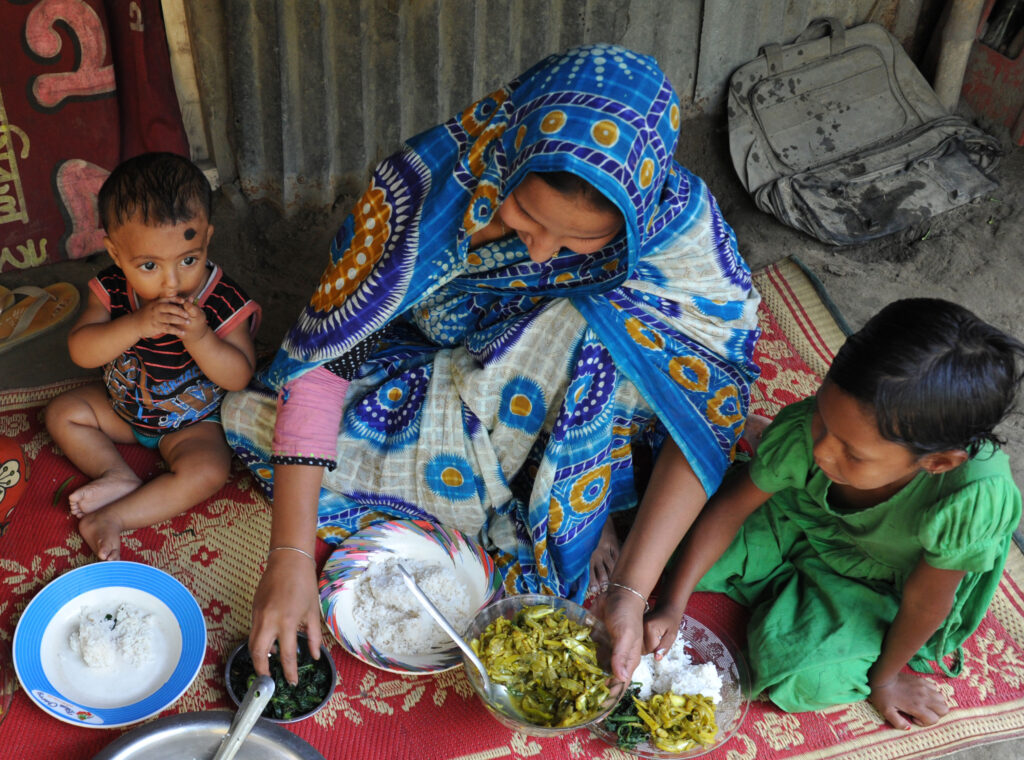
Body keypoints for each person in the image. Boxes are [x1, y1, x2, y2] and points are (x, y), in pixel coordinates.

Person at [221, 44, 762, 683]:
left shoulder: (679, 234)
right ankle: (552, 507)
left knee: (596, 329)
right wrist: (288, 556)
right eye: (525, 216)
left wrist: (632, 593)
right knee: (257, 423)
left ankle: (584, 509)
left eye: (579, 240)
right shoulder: (424, 189)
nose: (539, 255)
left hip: (582, 413)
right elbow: (331, 357)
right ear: (509, 156)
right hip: (432, 375)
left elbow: (706, 411)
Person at [644, 298, 1024, 729]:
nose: (823, 450)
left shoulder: (969, 500)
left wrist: (884, 680)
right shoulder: (813, 432)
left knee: (802, 677)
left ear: (937, 463)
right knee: (667, 552)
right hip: (803, 517)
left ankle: (801, 589)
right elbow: (730, 511)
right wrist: (673, 605)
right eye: (824, 419)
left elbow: (924, 603)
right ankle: (771, 461)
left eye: (852, 452)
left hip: (883, 579)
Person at [45, 152, 261, 562]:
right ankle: (116, 474)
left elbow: (238, 376)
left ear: (207, 238)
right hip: (121, 410)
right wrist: (136, 325)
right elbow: (82, 351)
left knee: (209, 471)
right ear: (115, 252)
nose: (172, 281)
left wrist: (200, 338)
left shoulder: (223, 299)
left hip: (192, 424)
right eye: (148, 265)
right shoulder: (110, 288)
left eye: (189, 259)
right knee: (63, 412)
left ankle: (115, 518)